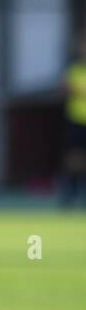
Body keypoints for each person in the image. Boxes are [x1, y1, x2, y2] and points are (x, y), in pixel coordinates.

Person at [60, 37, 86, 207]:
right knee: (74, 156)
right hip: (76, 119)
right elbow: (65, 89)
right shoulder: (74, 69)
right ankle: (71, 190)